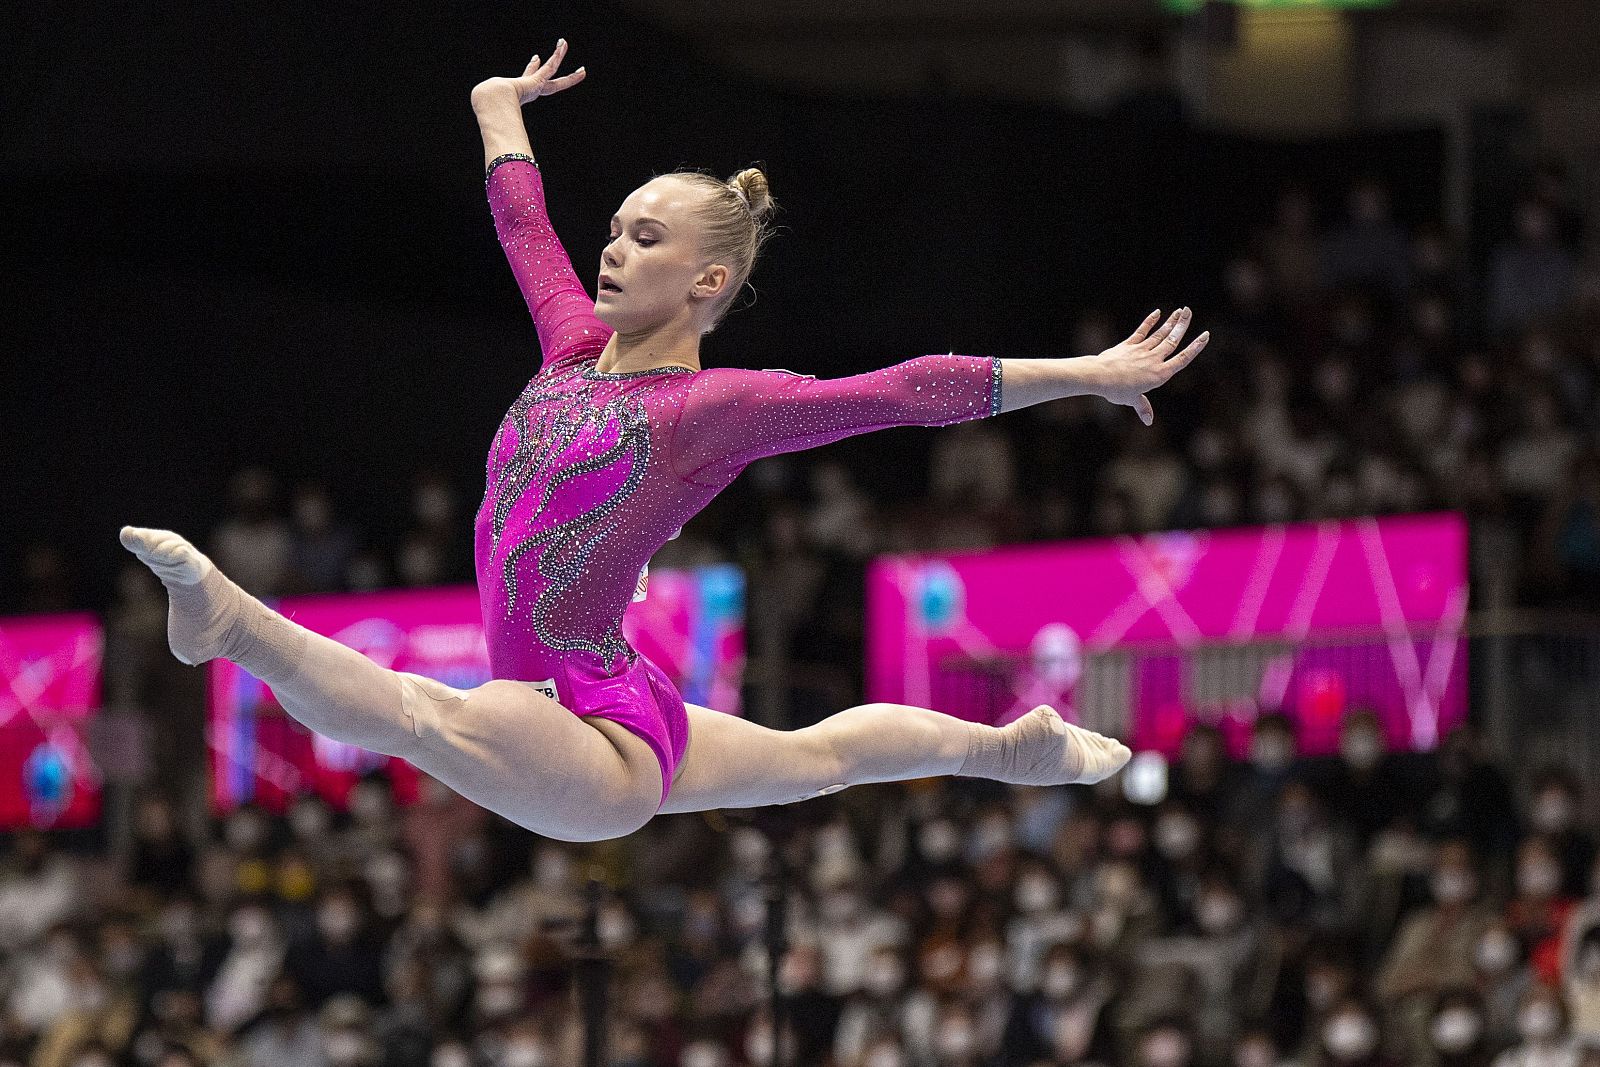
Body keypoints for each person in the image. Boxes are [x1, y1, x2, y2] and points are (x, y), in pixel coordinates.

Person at [118, 38, 1208, 844]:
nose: (611, 247)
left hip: (581, 733)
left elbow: (900, 391)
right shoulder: (568, 352)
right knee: (814, 758)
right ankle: (1011, 749)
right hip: (611, 696)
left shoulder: (707, 409)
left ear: (707, 280)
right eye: (616, 226)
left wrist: (1088, 377)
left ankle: (231, 624)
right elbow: (524, 225)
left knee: (427, 715)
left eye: (645, 236)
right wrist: (498, 106)